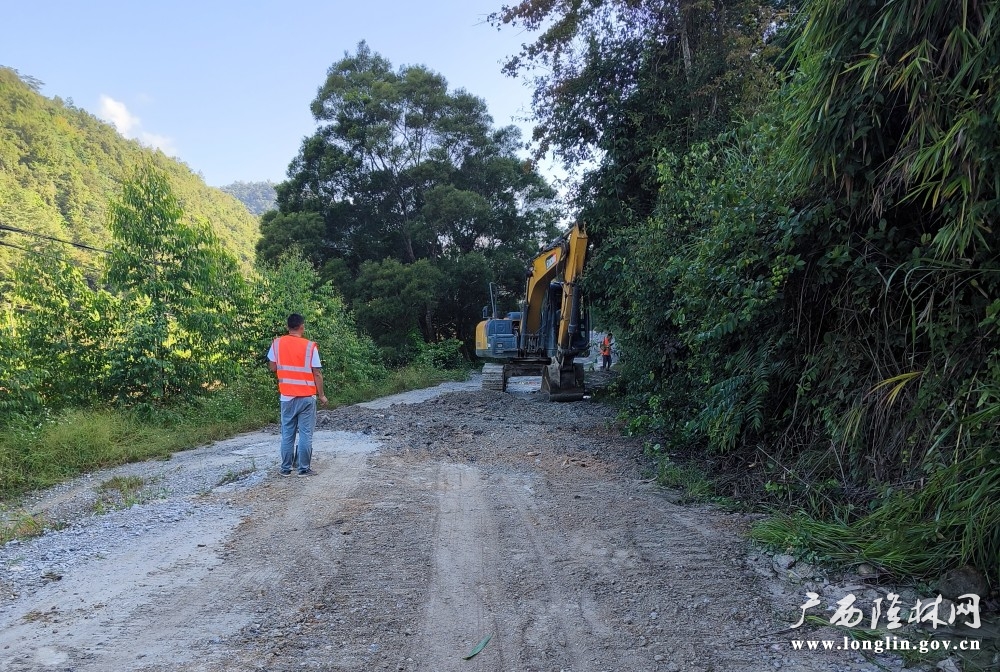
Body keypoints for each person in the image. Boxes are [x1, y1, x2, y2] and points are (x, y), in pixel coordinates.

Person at [268, 313, 328, 476]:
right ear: (302, 327)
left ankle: (285, 469)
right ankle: (303, 469)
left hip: (287, 397)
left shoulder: (277, 344)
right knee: (306, 434)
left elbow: (272, 367)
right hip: (307, 397)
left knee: (288, 433)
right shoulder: (309, 346)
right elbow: (317, 373)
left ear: (287, 327)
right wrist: (321, 395)